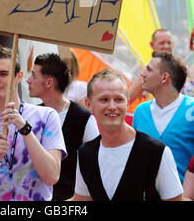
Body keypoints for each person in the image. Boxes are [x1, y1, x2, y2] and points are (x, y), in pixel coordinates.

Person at [0, 44, 66, 201]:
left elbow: (52, 176)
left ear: (19, 76)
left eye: (3, 74)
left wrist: (26, 130)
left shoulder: (47, 116)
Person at [72, 68, 183, 201]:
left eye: (119, 99)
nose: (112, 106)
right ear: (89, 104)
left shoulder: (157, 152)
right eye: (104, 100)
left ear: (128, 103)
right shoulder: (85, 154)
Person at [27, 52, 99, 200]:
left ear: (49, 82)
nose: (28, 80)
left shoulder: (84, 118)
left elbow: (96, 167)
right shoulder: (31, 115)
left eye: (33, 75)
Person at [133, 51, 194, 183]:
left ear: (164, 78)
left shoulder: (192, 110)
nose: (142, 74)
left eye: (148, 69)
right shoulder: (140, 111)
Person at [129, 28, 174, 104]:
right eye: (162, 43)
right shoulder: (148, 71)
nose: (166, 46)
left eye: (169, 43)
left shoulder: (177, 67)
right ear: (152, 45)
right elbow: (128, 98)